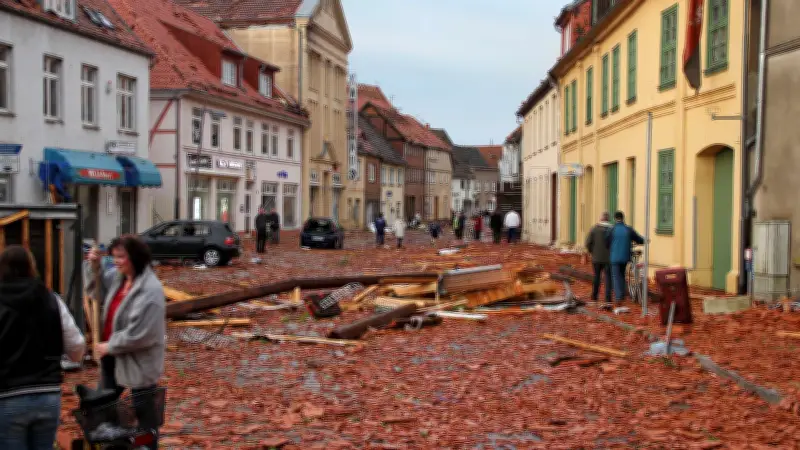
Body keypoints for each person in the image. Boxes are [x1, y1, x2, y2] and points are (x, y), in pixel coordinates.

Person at [0, 245, 85, 450]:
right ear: (31, 267)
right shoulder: (51, 299)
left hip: (8, 396)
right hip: (48, 395)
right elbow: (76, 346)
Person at [87, 235, 166, 450]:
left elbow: (142, 334)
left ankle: (146, 447)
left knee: (145, 418)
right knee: (104, 408)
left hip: (139, 361)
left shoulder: (151, 290)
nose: (116, 261)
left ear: (136, 258)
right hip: (113, 357)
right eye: (114, 257)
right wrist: (94, 267)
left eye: (121, 257)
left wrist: (110, 345)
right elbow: (97, 291)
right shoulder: (119, 278)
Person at [606, 211, 645, 304]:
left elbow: (606, 242)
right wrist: (644, 240)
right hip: (625, 257)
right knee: (622, 274)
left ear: (615, 219)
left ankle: (619, 297)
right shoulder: (628, 229)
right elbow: (638, 239)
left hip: (614, 257)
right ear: (623, 218)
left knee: (616, 276)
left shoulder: (612, 229)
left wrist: (611, 248)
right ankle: (622, 294)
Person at [585, 212, 613, 306]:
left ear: (601, 219)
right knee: (608, 278)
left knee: (597, 277)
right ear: (608, 219)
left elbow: (588, 243)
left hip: (596, 258)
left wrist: (592, 251)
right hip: (609, 258)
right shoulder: (612, 229)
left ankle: (594, 296)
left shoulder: (594, 229)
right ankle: (608, 298)